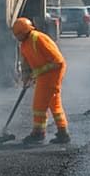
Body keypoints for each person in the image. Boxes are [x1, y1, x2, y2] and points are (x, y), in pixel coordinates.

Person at [12, 17, 70, 145]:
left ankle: (38, 133)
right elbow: (25, 63)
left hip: (53, 73)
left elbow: (58, 61)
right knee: (54, 103)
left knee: (39, 105)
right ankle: (63, 132)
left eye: (18, 34)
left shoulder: (38, 39)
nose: (17, 37)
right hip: (43, 74)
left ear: (25, 31)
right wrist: (26, 76)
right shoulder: (24, 44)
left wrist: (37, 72)